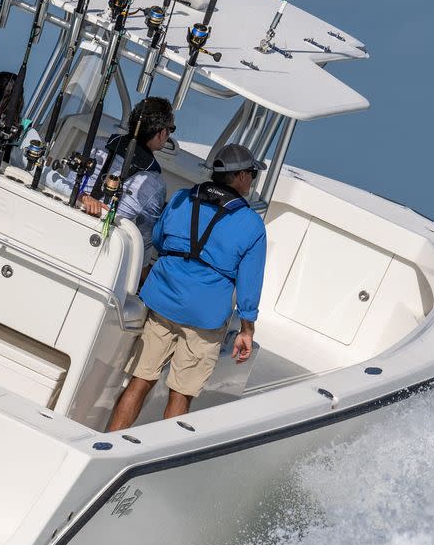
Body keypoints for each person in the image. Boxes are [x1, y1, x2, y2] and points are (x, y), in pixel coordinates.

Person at [106, 143, 268, 431]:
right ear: (241, 175)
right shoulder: (251, 224)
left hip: (162, 301)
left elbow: (158, 237)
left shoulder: (182, 198)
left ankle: (110, 440)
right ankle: (160, 457)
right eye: (252, 173)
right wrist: (247, 329)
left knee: (141, 380)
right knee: (181, 393)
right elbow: (249, 284)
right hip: (204, 317)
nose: (252, 179)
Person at [44, 97, 174, 256]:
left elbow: (69, 185)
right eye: (171, 129)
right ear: (161, 133)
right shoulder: (156, 184)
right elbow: (144, 238)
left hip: (61, 224)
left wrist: (83, 198)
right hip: (99, 248)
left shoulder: (95, 144)